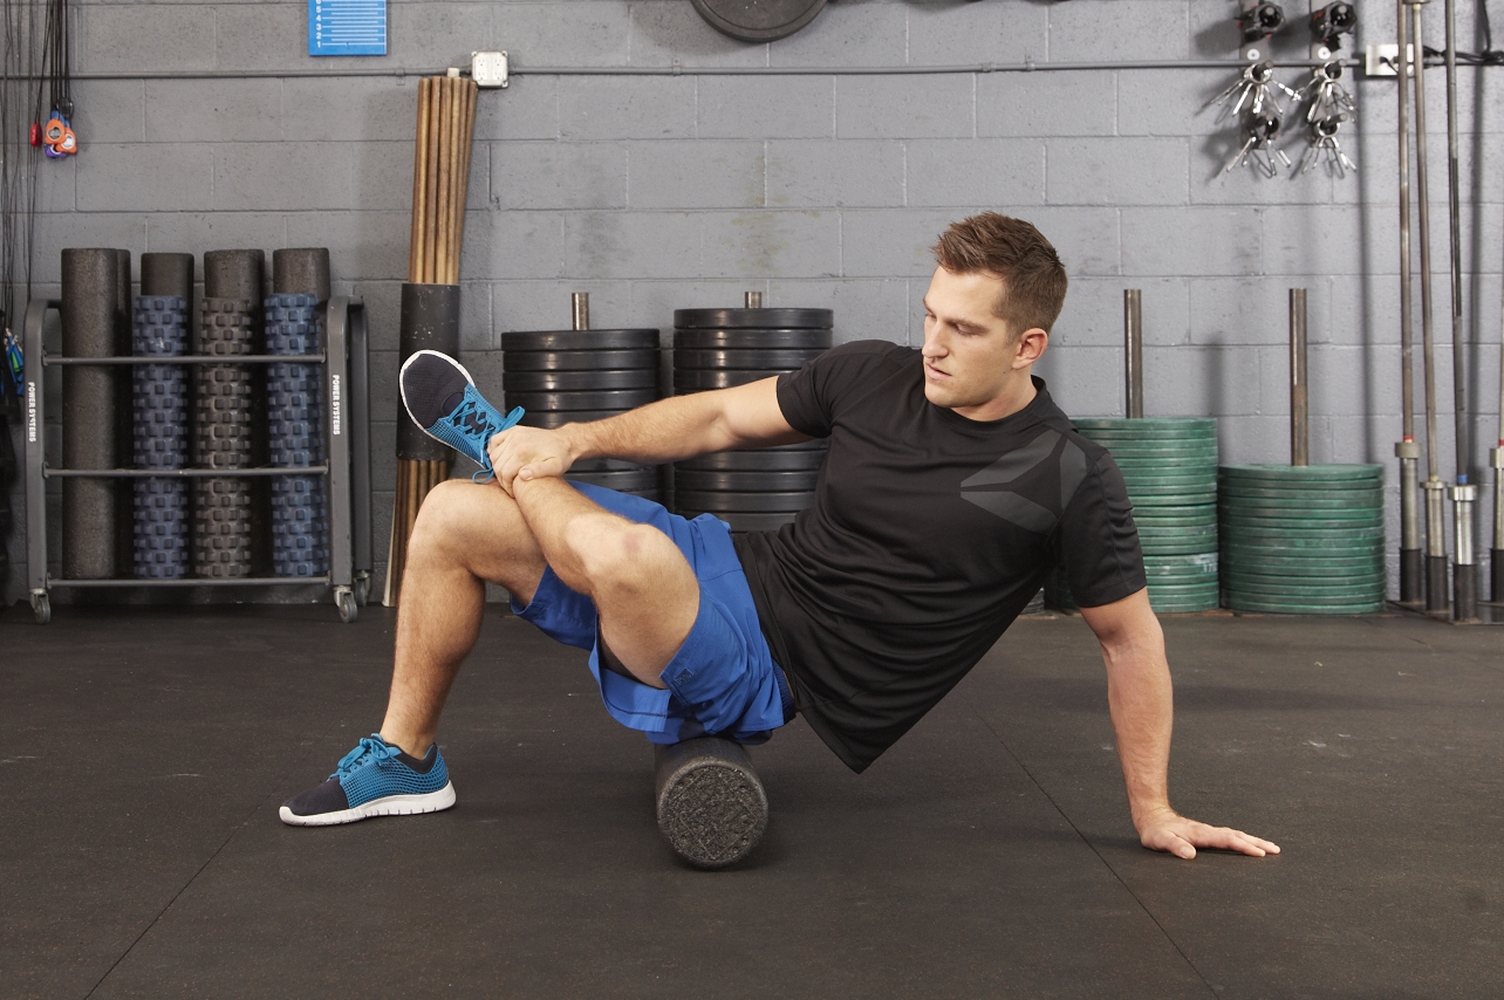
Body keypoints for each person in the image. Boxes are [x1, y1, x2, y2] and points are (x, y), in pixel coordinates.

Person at [282, 212, 1278, 862]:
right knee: (449, 517)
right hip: (722, 566)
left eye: (963, 331)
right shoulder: (876, 373)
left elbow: (1128, 637)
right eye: (929, 314)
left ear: (1028, 345)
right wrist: (579, 437)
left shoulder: (1065, 474)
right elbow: (718, 417)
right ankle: (409, 758)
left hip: (767, 669)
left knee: (622, 554)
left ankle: (500, 443)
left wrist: (1152, 808)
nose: (932, 343)